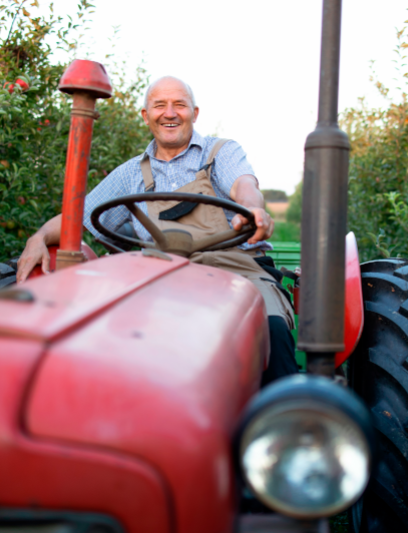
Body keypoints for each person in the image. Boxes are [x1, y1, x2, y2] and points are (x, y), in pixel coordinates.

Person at [16, 76, 297, 385]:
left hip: (237, 271)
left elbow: (244, 185)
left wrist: (254, 208)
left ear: (195, 112)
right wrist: (39, 237)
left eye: (180, 105)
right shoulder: (130, 174)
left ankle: (285, 422)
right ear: (146, 115)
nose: (170, 113)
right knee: (111, 333)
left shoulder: (220, 153)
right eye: (160, 105)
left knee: (271, 328)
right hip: (163, 277)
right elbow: (76, 217)